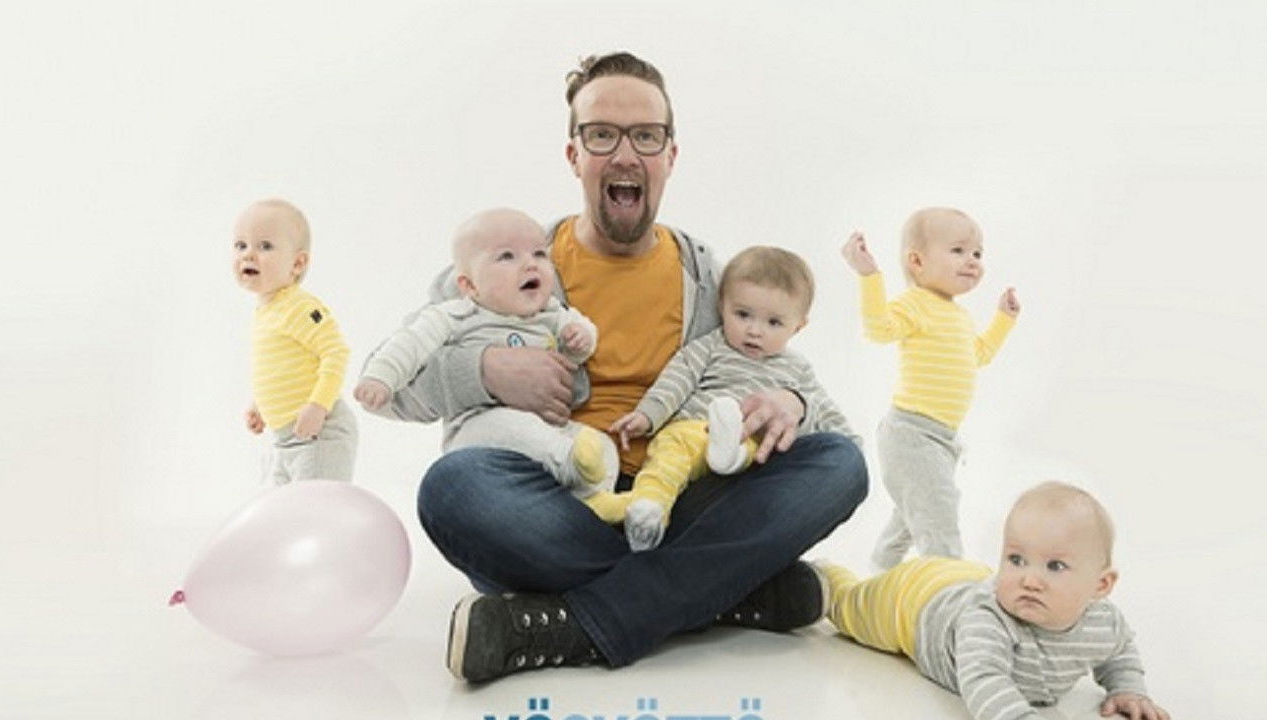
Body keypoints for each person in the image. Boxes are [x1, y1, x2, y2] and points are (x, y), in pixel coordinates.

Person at [373, 52, 868, 682]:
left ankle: (571, 624)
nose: (626, 153)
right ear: (574, 156)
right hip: (556, 508)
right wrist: (486, 371)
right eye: (602, 134)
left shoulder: (709, 275)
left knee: (838, 464)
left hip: (680, 501)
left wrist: (791, 404)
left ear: (670, 156)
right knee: (455, 489)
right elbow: (390, 391)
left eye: (646, 136)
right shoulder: (505, 265)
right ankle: (727, 589)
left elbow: (773, 359)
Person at [813, 481, 1170, 720]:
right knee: (849, 608)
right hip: (916, 602)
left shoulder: (1103, 623)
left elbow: (1120, 650)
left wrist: (1127, 687)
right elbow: (983, 678)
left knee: (977, 581)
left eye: (1055, 566)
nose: (1030, 579)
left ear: (1101, 585)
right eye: (1016, 559)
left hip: (968, 576)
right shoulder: (988, 621)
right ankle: (827, 576)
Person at [596, 245, 858, 552]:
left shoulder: (797, 371)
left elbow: (829, 419)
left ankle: (731, 454)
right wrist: (646, 416)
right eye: (743, 314)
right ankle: (647, 514)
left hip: (752, 456)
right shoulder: (711, 347)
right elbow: (675, 381)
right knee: (668, 454)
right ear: (722, 306)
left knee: (805, 458)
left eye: (774, 323)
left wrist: (851, 451)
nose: (754, 331)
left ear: (798, 326)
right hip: (696, 432)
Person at [355, 207, 616, 493]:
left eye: (540, 254)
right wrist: (381, 378)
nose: (530, 264)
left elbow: (577, 351)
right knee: (507, 426)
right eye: (507, 256)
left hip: (553, 430)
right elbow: (409, 345)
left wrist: (579, 340)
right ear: (468, 285)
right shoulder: (454, 315)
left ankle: (593, 501)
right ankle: (569, 466)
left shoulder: (552, 313)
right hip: (481, 427)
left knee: (601, 448)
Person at [841, 209, 1020, 570]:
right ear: (917, 261)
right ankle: (949, 586)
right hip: (912, 434)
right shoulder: (916, 303)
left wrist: (1004, 319)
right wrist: (869, 276)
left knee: (911, 516)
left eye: (978, 254)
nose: (972, 261)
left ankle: (879, 576)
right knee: (938, 511)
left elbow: (978, 355)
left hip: (941, 439)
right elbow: (879, 328)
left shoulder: (958, 314)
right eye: (959, 251)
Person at [232, 198, 356, 484]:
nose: (249, 255)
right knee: (281, 511)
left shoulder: (300, 307)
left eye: (265, 246)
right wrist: (260, 404)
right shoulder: (267, 310)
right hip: (284, 439)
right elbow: (281, 366)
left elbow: (335, 352)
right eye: (241, 245)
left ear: (297, 263)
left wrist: (319, 406)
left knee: (315, 509)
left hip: (319, 433)